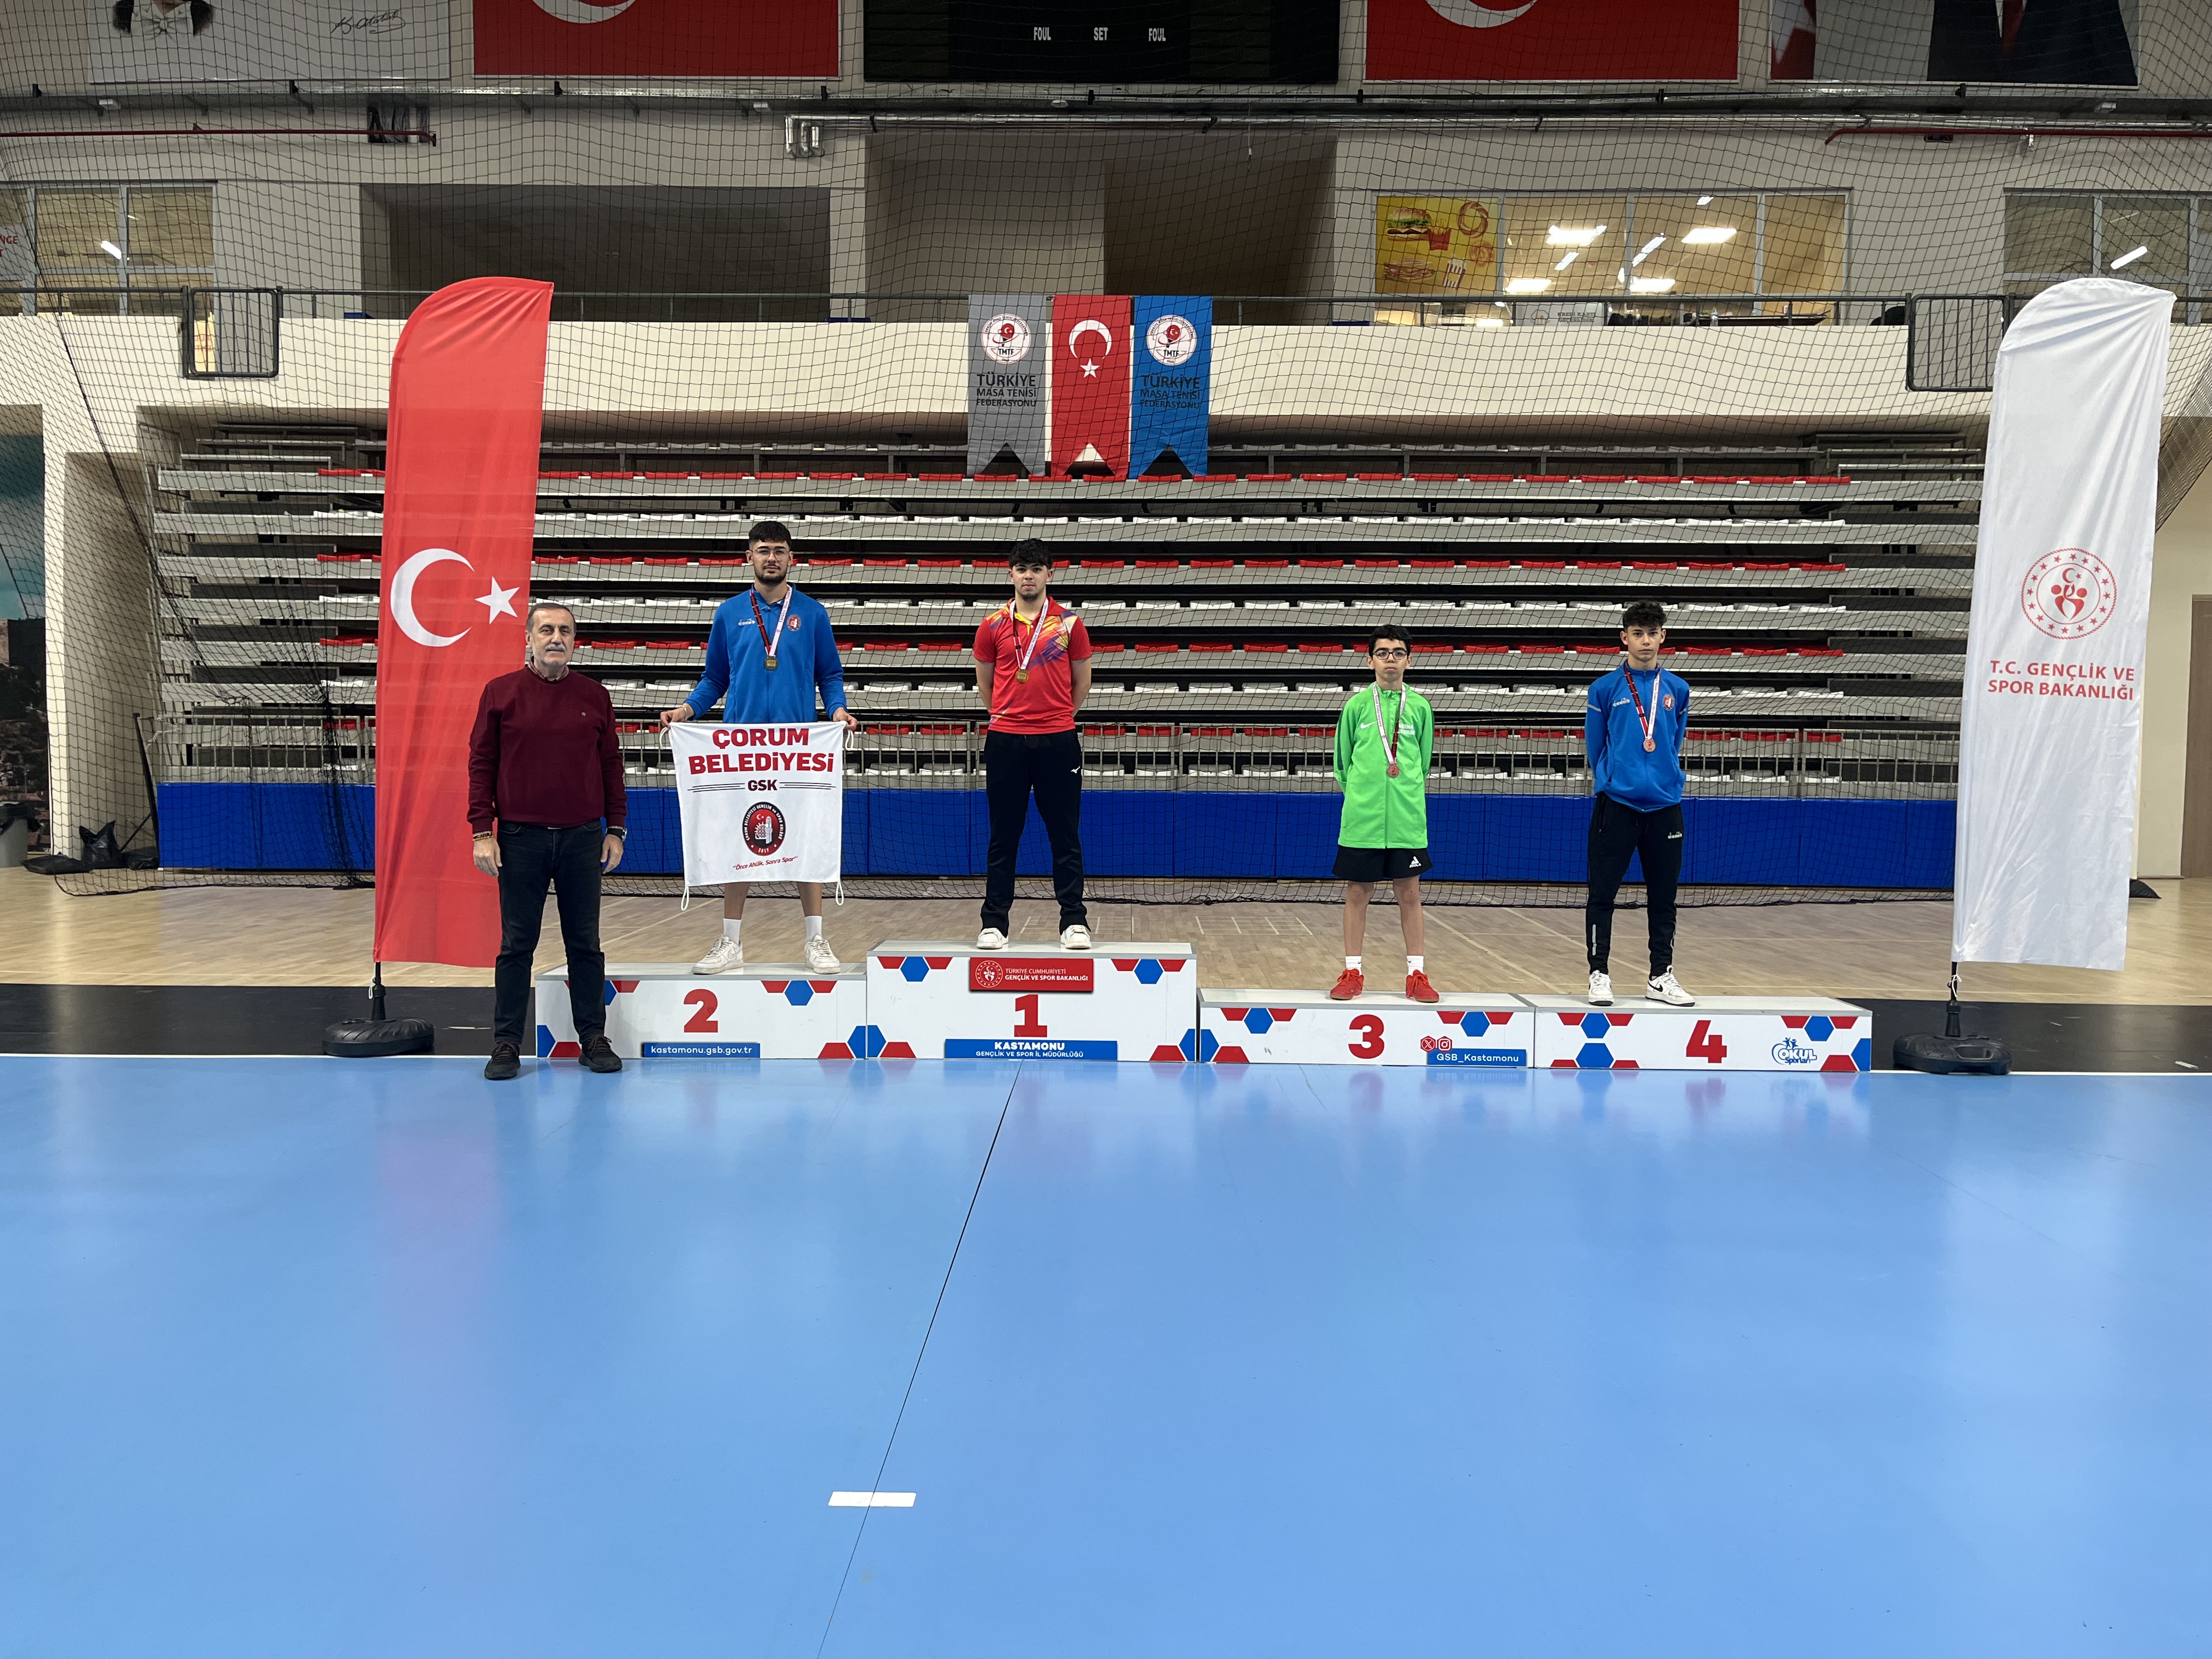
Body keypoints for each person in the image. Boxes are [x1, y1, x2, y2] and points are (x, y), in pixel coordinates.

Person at [659, 521, 855, 974]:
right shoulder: (730, 613)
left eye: (780, 551)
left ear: (792, 558)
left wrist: (838, 711)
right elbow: (715, 679)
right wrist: (687, 710)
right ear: (749, 556)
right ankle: (731, 942)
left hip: (796, 747)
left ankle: (816, 939)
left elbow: (830, 675)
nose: (772, 558)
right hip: (742, 748)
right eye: (764, 550)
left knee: (805, 838)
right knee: (738, 842)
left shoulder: (813, 613)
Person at [469, 601, 628, 1081]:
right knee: (517, 945)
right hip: (520, 840)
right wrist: (482, 831)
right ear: (529, 639)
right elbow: (481, 764)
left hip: (583, 839)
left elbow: (611, 766)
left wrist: (616, 828)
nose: (556, 638)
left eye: (564, 631)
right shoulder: (500, 693)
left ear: (575, 641)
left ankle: (593, 1038)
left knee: (585, 945)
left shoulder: (595, 696)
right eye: (546, 630)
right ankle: (506, 1043)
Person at [973, 539, 1093, 950]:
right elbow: (986, 684)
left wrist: (1055, 717)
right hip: (1006, 740)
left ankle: (1074, 921)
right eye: (1022, 569)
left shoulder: (1070, 624)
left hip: (1058, 740)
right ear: (1011, 574)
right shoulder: (992, 625)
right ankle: (994, 923)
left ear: (1049, 574)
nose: (1029, 576)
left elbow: (1082, 682)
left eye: (1037, 569)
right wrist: (1010, 716)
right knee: (1003, 836)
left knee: (1065, 835)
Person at [1583, 599, 1695, 1008]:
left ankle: (1660, 975)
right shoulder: (1604, 689)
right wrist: (1613, 779)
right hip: (1617, 804)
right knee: (1602, 895)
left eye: (1652, 634)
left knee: (1664, 897)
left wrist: (1664, 776)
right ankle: (1599, 974)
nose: (1645, 641)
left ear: (1663, 637)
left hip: (1665, 806)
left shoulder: (1678, 689)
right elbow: (1596, 746)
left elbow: (1672, 741)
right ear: (1624, 638)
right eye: (1637, 634)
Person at [1329, 626, 1438, 1003]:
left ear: (1409, 660)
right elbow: (1342, 764)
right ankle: (1352, 972)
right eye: (1383, 653)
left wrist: (1402, 793)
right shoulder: (1356, 707)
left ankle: (1416, 975)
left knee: (1410, 893)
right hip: (1363, 820)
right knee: (1358, 892)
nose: (1390, 659)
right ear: (1370, 660)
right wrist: (1364, 797)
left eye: (1398, 652)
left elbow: (1422, 764)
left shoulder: (1420, 707)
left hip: (1407, 820)